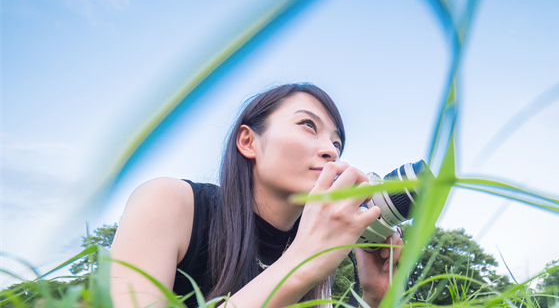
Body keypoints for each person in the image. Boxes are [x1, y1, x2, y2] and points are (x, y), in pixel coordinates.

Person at [109, 83, 404, 308]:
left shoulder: (314, 247)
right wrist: (302, 265)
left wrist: (374, 298)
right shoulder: (169, 201)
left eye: (337, 142)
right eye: (308, 125)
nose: (331, 150)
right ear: (248, 141)